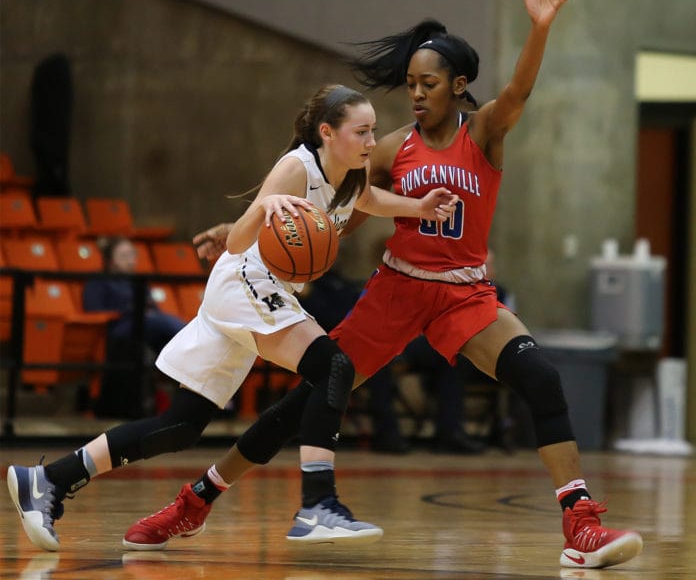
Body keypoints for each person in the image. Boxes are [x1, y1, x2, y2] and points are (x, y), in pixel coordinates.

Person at [119, 0, 643, 569]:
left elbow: (521, 89)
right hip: (397, 289)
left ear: (459, 83)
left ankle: (579, 526)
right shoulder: (392, 147)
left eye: (428, 83)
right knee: (303, 404)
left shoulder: (487, 132)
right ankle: (195, 501)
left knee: (542, 379)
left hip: (465, 294)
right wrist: (258, 227)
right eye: (411, 84)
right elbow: (335, 208)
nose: (416, 94)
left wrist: (541, 28)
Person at [6, 83, 457, 552]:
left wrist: (417, 207)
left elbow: (365, 201)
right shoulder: (295, 167)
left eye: (373, 131)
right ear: (327, 132)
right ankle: (318, 503)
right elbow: (240, 242)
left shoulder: (350, 173)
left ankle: (49, 480)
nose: (370, 141)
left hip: (253, 291)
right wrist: (263, 206)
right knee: (334, 366)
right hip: (246, 280)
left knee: (181, 426)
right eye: (361, 131)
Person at [83, 236, 187, 357]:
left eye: (132, 255)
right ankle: (189, 339)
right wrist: (129, 310)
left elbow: (152, 306)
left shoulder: (137, 281)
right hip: (118, 327)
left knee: (163, 334)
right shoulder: (98, 281)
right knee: (158, 321)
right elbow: (93, 310)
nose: (130, 260)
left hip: (145, 323)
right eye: (124, 256)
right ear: (110, 260)